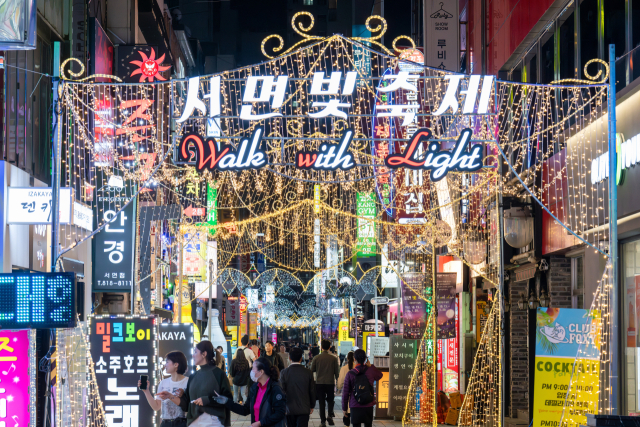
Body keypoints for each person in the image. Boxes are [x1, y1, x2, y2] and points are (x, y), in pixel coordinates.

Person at [159, 341, 233, 427]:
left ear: (204, 354)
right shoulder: (193, 377)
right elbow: (187, 406)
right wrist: (171, 396)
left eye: (195, 352)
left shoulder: (219, 374)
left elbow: (228, 400)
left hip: (214, 423)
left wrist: (207, 400)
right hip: (194, 423)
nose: (193, 355)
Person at [214, 357, 287, 427]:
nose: (251, 371)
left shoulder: (275, 389)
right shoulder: (255, 388)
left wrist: (261, 423)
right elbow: (245, 410)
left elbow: (280, 413)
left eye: (253, 368)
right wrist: (227, 402)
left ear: (261, 372)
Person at [139, 351, 189, 427]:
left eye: (167, 362)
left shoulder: (188, 382)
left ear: (176, 364)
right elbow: (156, 407)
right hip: (166, 423)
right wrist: (146, 391)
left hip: (182, 423)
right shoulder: (163, 383)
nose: (165, 365)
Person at [341, 350, 383, 427]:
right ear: (365, 359)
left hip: (355, 405)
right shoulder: (370, 370)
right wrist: (371, 366)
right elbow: (379, 375)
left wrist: (344, 408)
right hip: (368, 405)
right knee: (368, 425)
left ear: (354, 359)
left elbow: (345, 393)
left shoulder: (350, 374)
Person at [280, 348, 316, 427]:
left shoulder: (284, 373)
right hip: (304, 408)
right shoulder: (308, 372)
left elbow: (282, 391)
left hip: (289, 408)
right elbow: (312, 390)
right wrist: (312, 405)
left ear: (289, 358)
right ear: (301, 358)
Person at [310, 340, 340, 427]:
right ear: (329, 347)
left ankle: (323, 422)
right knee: (330, 400)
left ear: (321, 347)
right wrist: (338, 383)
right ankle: (330, 415)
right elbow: (337, 373)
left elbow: (312, 370)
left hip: (319, 383)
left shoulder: (316, 358)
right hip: (330, 382)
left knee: (321, 402)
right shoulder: (334, 358)